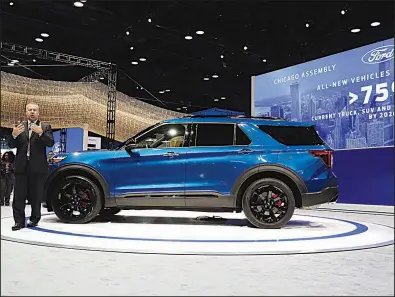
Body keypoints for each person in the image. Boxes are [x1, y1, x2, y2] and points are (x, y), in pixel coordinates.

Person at [7, 102, 54, 231]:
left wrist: (41, 133)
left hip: (38, 168)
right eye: (30, 110)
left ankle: (34, 219)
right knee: (18, 197)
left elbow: (50, 143)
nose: (32, 112)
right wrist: (14, 135)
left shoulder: (45, 126)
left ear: (38, 113)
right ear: (26, 112)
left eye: (34, 110)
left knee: (36, 196)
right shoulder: (20, 127)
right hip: (21, 167)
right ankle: (19, 222)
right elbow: (11, 144)